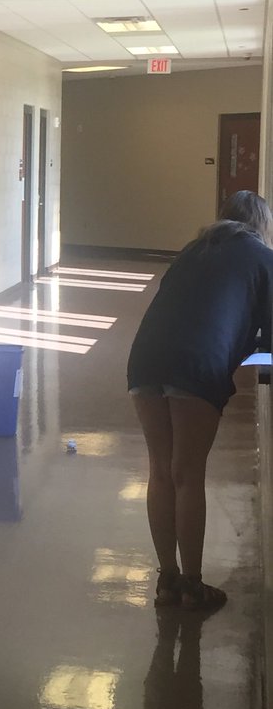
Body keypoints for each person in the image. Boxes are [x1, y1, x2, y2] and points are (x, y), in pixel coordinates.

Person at [127, 190, 273, 612]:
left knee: (161, 471)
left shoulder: (194, 250)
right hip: (196, 363)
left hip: (145, 358)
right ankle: (192, 586)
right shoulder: (263, 258)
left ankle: (167, 582)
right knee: (188, 475)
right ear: (261, 225)